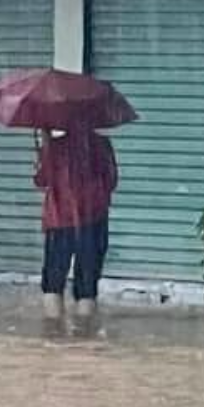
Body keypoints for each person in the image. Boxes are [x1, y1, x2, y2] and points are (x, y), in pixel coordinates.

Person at [34, 126, 118, 329]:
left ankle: (52, 337)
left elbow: (41, 180)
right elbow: (112, 181)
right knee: (87, 285)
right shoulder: (102, 145)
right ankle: (85, 338)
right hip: (93, 219)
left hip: (59, 220)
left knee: (53, 283)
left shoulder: (54, 147)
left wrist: (43, 145)